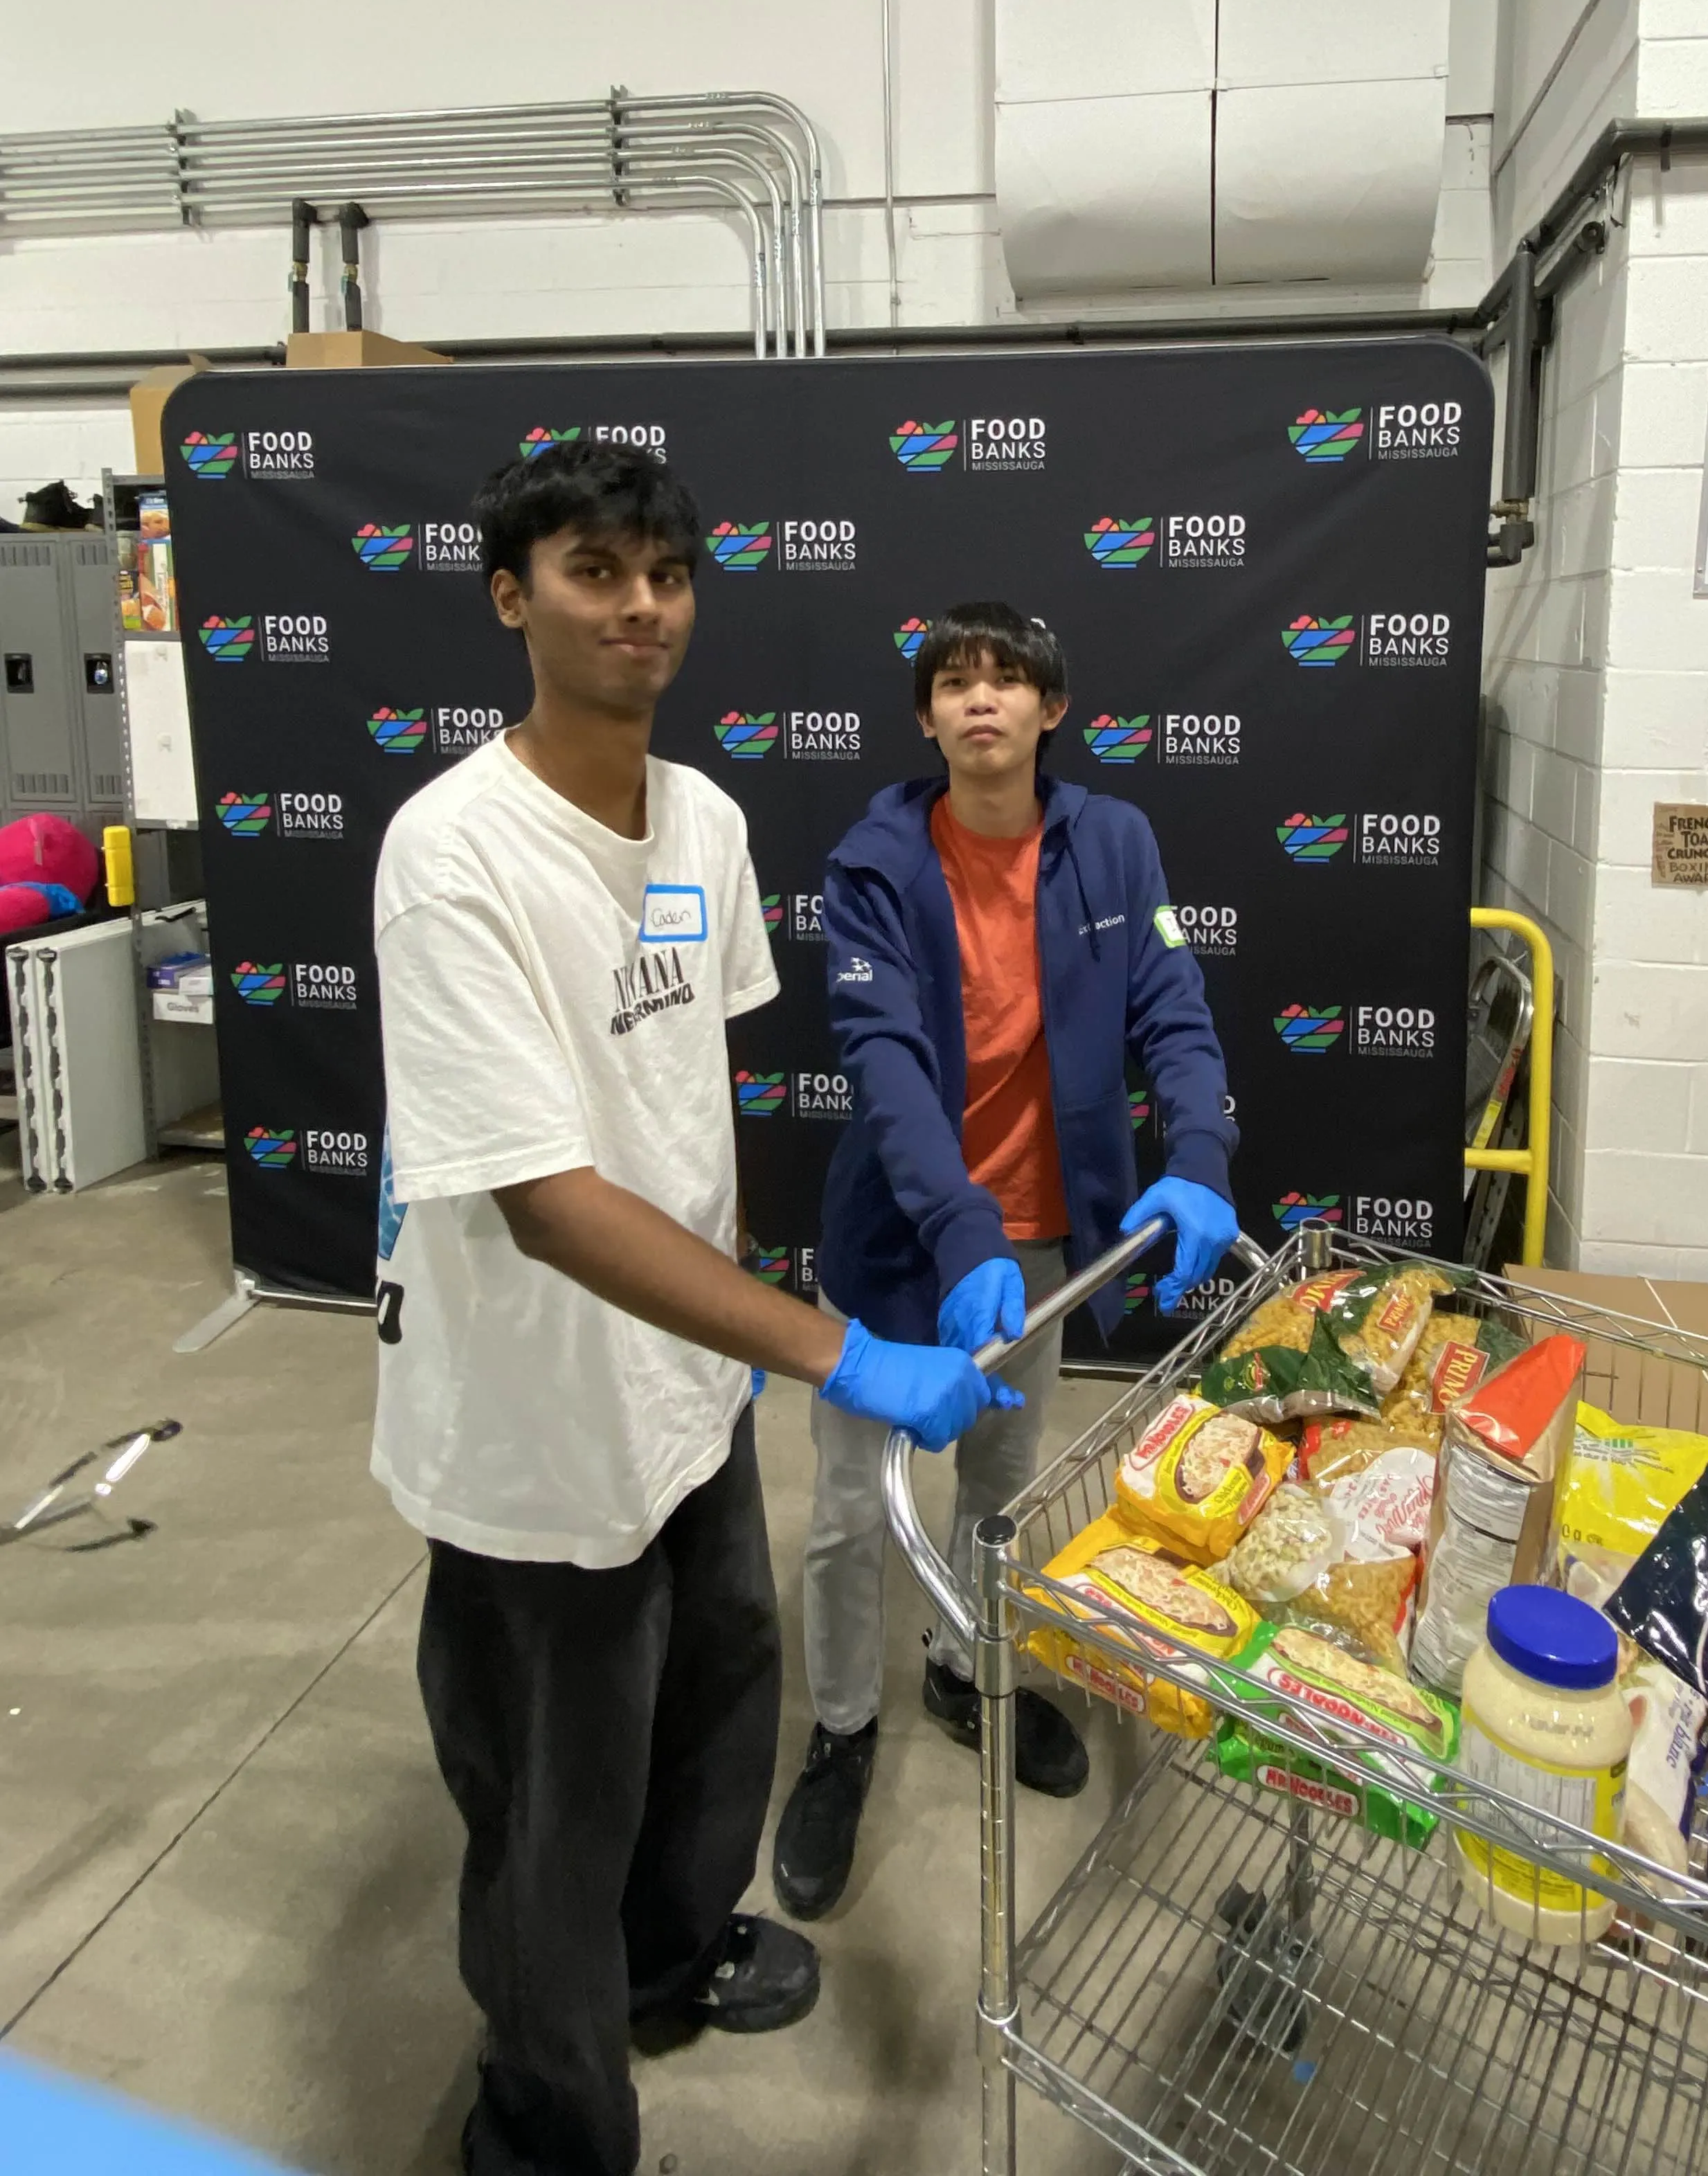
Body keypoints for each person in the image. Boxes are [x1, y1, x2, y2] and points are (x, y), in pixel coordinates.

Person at [370, 442, 1007, 2176]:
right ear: (514, 596)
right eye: (594, 572)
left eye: (663, 573)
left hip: (687, 1391)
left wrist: (748, 1340)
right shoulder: (454, 857)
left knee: (716, 1701)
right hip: (534, 1427)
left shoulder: (707, 821)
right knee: (549, 1810)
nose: (640, 606)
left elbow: (677, 1099)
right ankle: (546, 2126)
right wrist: (837, 1346)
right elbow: (550, 1198)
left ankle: (669, 1957)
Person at [770, 600, 1239, 1920]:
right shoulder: (875, 864)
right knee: (855, 1506)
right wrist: (959, 1228)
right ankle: (845, 1730)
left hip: (1045, 1248)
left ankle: (960, 1663)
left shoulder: (1114, 844)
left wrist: (1197, 1156)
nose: (983, 700)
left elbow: (1175, 1012)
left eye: (1009, 679)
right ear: (926, 719)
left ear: (1052, 709)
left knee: (1000, 1485)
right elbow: (888, 1071)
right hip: (896, 1241)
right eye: (956, 683)